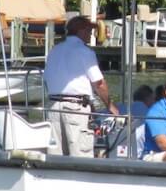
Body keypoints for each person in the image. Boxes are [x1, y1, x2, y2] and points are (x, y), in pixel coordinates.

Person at [44, 15, 118, 157]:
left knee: (55, 155)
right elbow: (99, 83)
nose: (91, 34)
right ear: (82, 31)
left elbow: (47, 79)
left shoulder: (55, 50)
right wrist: (110, 106)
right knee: (80, 154)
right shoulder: (85, 51)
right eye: (89, 30)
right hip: (75, 109)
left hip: (52, 106)